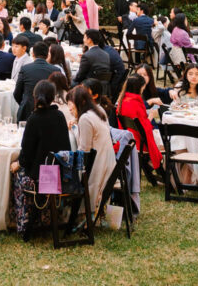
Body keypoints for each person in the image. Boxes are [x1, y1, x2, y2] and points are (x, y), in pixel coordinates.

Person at [10, 79, 72, 235]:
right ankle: (45, 217)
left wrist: (17, 164)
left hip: (41, 179)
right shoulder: (59, 116)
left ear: (34, 96)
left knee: (16, 175)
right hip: (60, 175)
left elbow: (26, 155)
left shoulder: (34, 119)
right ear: (52, 97)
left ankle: (24, 221)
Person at [66, 84, 116, 213]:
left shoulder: (85, 118)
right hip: (108, 164)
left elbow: (84, 151)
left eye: (71, 103)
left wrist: (75, 129)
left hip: (96, 168)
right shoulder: (98, 111)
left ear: (80, 102)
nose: (69, 108)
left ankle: (69, 212)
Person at [117, 74, 162, 169]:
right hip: (139, 141)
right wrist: (151, 116)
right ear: (140, 87)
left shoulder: (122, 99)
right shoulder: (135, 102)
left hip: (128, 138)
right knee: (164, 140)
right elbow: (145, 128)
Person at [14, 40, 60, 121]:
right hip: (49, 110)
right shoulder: (55, 70)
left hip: (27, 110)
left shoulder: (25, 69)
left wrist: (25, 102)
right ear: (47, 55)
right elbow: (58, 93)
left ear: (33, 54)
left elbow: (17, 93)